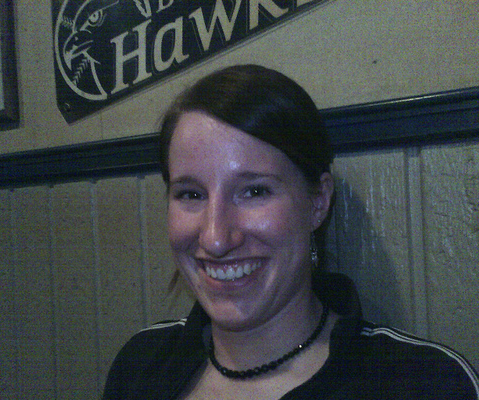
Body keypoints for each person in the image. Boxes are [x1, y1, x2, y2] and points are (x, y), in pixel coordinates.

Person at [102, 65, 479, 399]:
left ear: (318, 202)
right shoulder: (140, 364)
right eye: (191, 194)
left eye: (254, 191)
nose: (215, 238)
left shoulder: (427, 384)